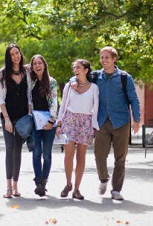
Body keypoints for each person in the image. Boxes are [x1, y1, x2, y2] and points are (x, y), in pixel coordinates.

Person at [92, 46, 140, 201]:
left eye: (107, 57)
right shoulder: (95, 77)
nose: (104, 60)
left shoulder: (125, 77)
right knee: (99, 155)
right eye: (102, 57)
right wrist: (73, 82)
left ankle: (116, 189)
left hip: (121, 122)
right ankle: (103, 178)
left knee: (120, 158)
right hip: (102, 121)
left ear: (114, 59)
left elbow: (134, 99)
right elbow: (77, 76)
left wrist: (136, 120)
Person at [56, 59, 99, 200]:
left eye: (78, 67)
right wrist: (59, 123)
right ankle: (68, 184)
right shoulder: (69, 86)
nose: (76, 69)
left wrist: (94, 126)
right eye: (74, 67)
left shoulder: (94, 88)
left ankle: (76, 189)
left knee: (81, 156)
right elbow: (63, 106)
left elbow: (96, 108)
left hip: (85, 122)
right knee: (68, 154)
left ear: (86, 70)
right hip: (69, 120)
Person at [0, 43, 32, 198]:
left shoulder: (27, 71)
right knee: (10, 148)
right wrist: (7, 120)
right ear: (8, 57)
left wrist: (29, 116)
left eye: (17, 53)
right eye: (12, 54)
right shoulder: (3, 73)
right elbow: (1, 98)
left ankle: (16, 186)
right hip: (8, 117)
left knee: (17, 150)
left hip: (23, 118)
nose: (15, 56)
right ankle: (8, 187)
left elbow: (30, 96)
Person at [29, 54, 58, 197]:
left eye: (40, 63)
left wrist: (52, 121)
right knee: (36, 153)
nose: (37, 66)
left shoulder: (51, 82)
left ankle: (44, 181)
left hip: (48, 123)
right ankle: (38, 183)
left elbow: (54, 102)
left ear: (44, 65)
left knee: (46, 154)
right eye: (34, 64)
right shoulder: (31, 82)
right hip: (35, 122)